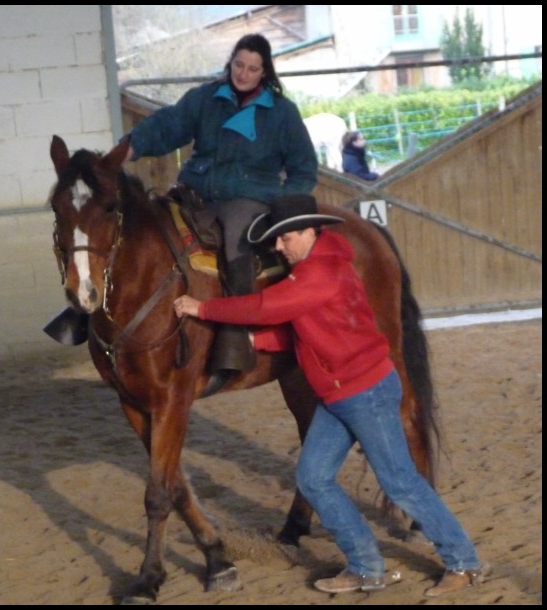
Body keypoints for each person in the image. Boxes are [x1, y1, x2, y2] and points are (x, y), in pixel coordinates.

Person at [173, 194, 490, 597]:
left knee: (401, 483)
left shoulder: (318, 274)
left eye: (284, 239)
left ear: (307, 232)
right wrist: (255, 341)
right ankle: (366, 566)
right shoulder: (310, 270)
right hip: (338, 394)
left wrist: (204, 310)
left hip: (365, 391)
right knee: (313, 478)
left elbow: (268, 306)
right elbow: (295, 328)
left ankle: (464, 561)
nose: (277, 247)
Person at [123, 33, 318, 383]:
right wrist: (130, 147)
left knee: (236, 241)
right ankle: (88, 318)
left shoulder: (282, 113)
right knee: (140, 228)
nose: (243, 74)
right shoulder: (206, 98)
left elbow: (304, 167)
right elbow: (170, 124)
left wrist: (285, 206)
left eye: (252, 69)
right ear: (230, 64)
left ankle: (232, 343)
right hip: (194, 193)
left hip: (248, 201)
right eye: (238, 65)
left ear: (264, 73)